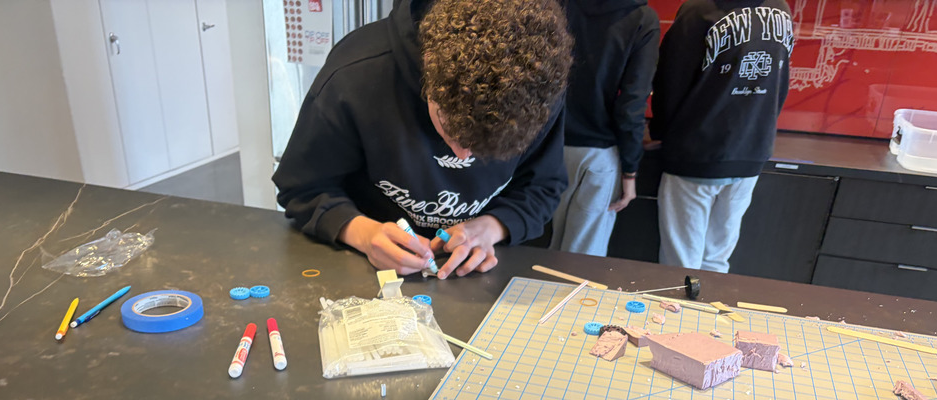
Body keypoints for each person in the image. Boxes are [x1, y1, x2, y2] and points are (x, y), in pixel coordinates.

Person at [273, 0, 573, 279]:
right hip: (365, 266)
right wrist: (363, 234)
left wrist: (492, 227)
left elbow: (542, 186)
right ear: (429, 70)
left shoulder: (538, 87)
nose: (462, 156)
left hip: (481, 272)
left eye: (485, 149)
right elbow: (302, 188)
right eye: (452, 131)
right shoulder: (355, 75)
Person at [650, 0, 793, 272]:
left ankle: (681, 302)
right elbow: (780, 80)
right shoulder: (780, 10)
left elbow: (670, 80)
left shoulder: (698, 10)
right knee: (716, 260)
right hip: (751, 148)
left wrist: (661, 131)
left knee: (681, 264)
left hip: (695, 152)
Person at [549, 0, 660, 257]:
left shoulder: (559, 5)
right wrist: (630, 172)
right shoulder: (641, 18)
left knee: (550, 248)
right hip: (599, 155)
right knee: (583, 257)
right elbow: (632, 105)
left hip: (550, 147)